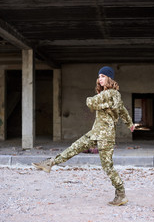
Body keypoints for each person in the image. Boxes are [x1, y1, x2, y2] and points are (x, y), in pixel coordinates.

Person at [32, 66, 135, 206]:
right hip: (95, 133)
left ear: (109, 78)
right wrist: (130, 124)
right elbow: (122, 111)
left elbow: (90, 102)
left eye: (103, 76)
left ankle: (121, 194)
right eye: (99, 77)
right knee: (74, 147)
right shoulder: (109, 95)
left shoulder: (111, 93)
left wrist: (98, 103)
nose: (100, 79)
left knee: (108, 167)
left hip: (105, 136)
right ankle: (50, 163)